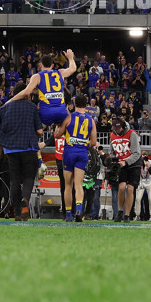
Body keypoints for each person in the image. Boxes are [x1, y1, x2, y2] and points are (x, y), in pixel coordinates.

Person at [0, 81, 44, 221]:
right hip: (29, 147)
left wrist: (3, 136)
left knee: (15, 180)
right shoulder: (32, 107)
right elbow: (40, 131)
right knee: (29, 177)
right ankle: (25, 199)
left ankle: (17, 213)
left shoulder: (6, 107)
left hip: (11, 149)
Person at [55, 94, 97, 222]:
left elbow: (57, 135)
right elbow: (94, 142)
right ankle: (79, 209)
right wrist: (83, 143)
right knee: (78, 185)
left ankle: (68, 214)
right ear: (86, 104)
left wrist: (58, 125)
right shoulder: (91, 120)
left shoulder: (68, 117)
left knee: (68, 185)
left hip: (69, 151)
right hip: (82, 152)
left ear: (74, 103)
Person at [10, 49, 77, 127]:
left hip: (46, 112)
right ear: (52, 65)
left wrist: (11, 100)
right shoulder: (60, 73)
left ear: (40, 65)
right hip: (61, 111)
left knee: (38, 130)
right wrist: (70, 58)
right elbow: (73, 69)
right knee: (60, 129)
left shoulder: (37, 76)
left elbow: (26, 92)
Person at [109, 115, 142, 223]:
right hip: (121, 164)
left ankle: (127, 214)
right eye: (115, 129)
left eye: (118, 128)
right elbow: (111, 151)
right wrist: (114, 160)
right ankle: (119, 211)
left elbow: (137, 153)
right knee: (121, 187)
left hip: (133, 164)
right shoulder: (112, 136)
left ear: (123, 126)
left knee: (130, 189)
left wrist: (126, 162)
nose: (117, 131)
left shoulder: (132, 134)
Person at [134, 152, 151, 221]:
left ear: (148, 156)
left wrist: (148, 166)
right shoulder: (138, 163)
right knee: (138, 198)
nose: (144, 157)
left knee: (150, 198)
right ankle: (137, 215)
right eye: (143, 156)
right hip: (141, 182)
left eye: (145, 156)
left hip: (150, 182)